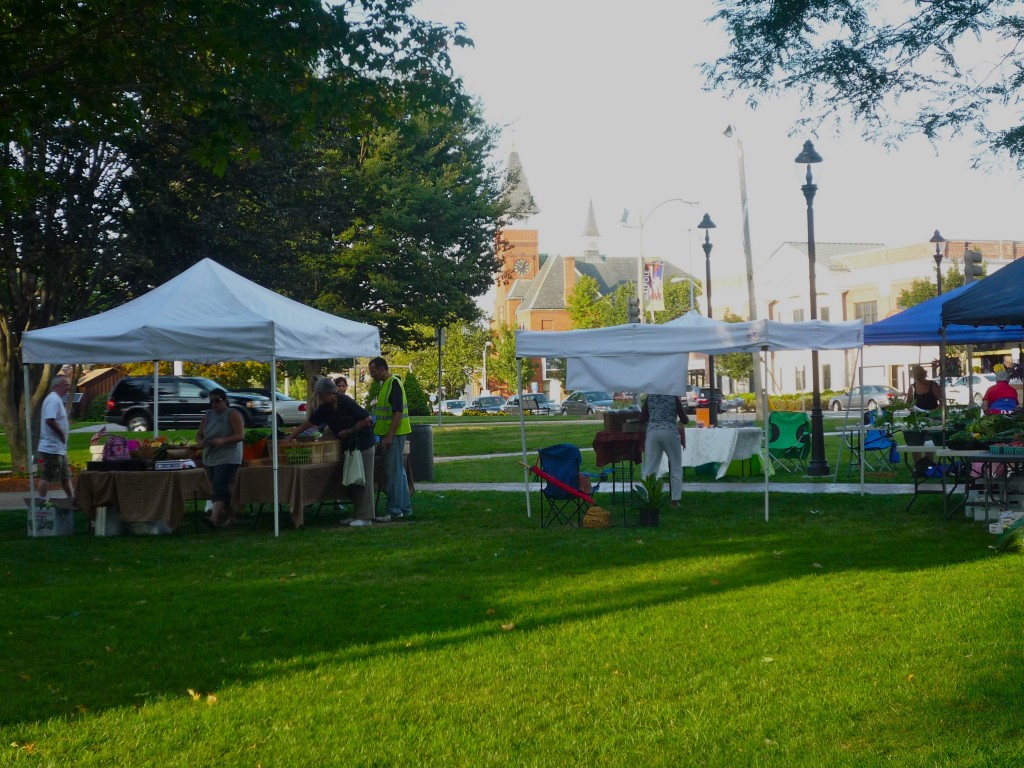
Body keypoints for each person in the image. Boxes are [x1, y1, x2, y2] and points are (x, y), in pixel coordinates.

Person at [285, 377, 376, 525]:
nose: (319, 398)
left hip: (363, 444)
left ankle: (366, 517)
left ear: (329, 393)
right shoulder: (325, 408)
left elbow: (367, 418)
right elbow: (309, 423)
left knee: (363, 479)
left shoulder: (345, 401)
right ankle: (356, 515)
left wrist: (349, 431)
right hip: (349, 447)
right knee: (354, 479)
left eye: (321, 394)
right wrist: (290, 437)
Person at [369, 356, 412, 520]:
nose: (372, 375)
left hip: (394, 434)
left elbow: (398, 412)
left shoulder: (393, 383)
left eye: (373, 372)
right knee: (399, 472)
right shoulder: (387, 384)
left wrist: (389, 435)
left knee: (393, 473)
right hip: (394, 433)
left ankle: (394, 510)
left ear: (382, 369)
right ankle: (404, 508)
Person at [196, 388, 244, 528]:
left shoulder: (232, 414)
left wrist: (222, 440)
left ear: (225, 400)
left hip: (228, 456)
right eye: (211, 401)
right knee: (218, 489)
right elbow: (199, 434)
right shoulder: (208, 415)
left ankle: (214, 518)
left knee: (219, 486)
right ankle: (231, 517)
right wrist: (200, 442)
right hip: (210, 456)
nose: (214, 404)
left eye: (217, 400)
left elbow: (240, 435)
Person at [639, 392, 688, 508]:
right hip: (670, 432)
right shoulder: (673, 396)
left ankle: (647, 498)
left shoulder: (650, 397)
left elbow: (642, 418)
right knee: (675, 466)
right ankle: (674, 501)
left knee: (650, 467)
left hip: (653, 433)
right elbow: (684, 419)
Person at [36, 374, 75, 503]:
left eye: (68, 385)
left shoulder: (56, 399)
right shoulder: (53, 399)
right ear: (56, 385)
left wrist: (65, 422)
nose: (67, 388)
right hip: (51, 447)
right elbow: (50, 420)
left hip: (59, 448)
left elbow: (55, 419)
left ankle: (71, 499)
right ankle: (40, 501)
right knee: (48, 473)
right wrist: (61, 434)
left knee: (65, 474)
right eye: (65, 385)